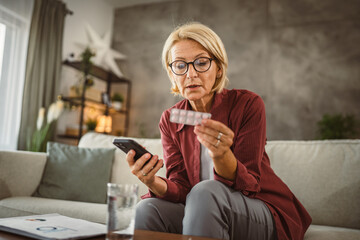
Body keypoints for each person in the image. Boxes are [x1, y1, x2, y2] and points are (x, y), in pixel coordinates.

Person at [126, 22, 312, 240]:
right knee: (148, 208)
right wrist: (151, 181)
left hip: (260, 208)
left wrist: (222, 155)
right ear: (172, 72)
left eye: (201, 62)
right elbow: (181, 187)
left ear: (219, 68)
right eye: (180, 65)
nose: (191, 74)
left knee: (205, 192)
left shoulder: (247, 104)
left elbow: (249, 183)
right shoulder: (169, 119)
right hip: (203, 208)